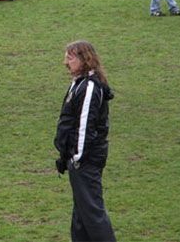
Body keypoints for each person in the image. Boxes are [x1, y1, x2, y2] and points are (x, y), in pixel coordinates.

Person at [54, 41, 116, 242]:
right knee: (80, 216)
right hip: (77, 159)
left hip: (85, 161)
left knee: (92, 215)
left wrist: (77, 158)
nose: (65, 62)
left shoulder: (89, 87)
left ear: (84, 60)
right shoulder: (79, 83)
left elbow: (84, 126)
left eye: (70, 58)